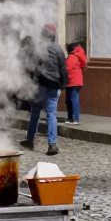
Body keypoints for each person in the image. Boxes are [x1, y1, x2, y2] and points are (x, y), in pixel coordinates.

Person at [20, 24, 67, 156]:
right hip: (53, 85)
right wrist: (63, 84)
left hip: (39, 84)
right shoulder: (58, 49)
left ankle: (30, 140)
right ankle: (52, 144)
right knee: (51, 114)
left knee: (35, 112)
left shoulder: (37, 48)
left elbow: (30, 67)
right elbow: (63, 68)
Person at [64, 41, 87, 125]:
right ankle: (72, 118)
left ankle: (74, 118)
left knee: (72, 100)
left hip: (72, 82)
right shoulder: (76, 56)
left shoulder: (71, 57)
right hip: (75, 81)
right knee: (71, 100)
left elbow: (68, 69)